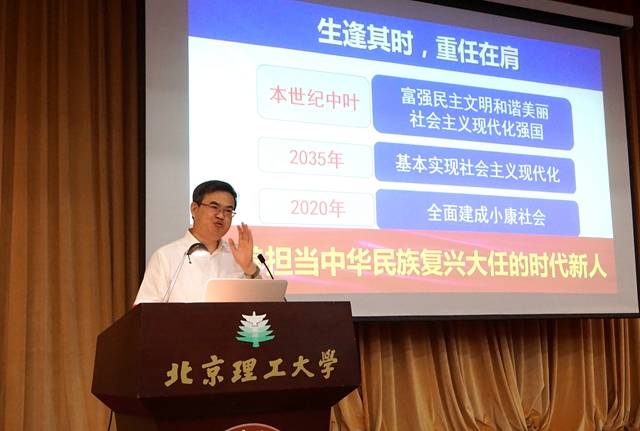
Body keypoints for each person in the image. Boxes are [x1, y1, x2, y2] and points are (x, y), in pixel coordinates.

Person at [134, 180, 261, 304]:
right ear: (194, 209)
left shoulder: (237, 257)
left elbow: (266, 305)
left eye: (228, 210)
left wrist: (249, 266)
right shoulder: (166, 256)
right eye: (214, 207)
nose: (221, 215)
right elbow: (144, 309)